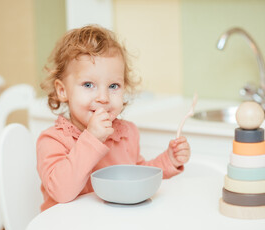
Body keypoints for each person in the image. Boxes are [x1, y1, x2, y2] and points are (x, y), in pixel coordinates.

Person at [37, 25, 191, 212]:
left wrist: (169, 160)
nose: (103, 97)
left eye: (113, 86)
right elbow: (61, 191)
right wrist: (92, 139)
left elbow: (136, 174)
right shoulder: (53, 140)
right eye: (88, 84)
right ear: (62, 91)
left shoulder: (126, 134)